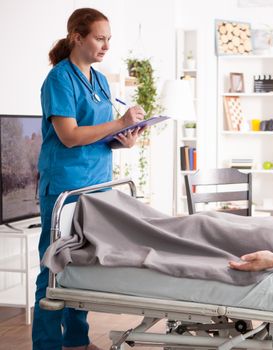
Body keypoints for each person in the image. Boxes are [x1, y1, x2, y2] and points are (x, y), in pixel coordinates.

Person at [34, 8, 146, 350]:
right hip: (65, 185)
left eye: (109, 39)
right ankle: (48, 343)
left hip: (96, 182)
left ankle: (77, 341)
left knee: (81, 262)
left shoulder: (99, 79)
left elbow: (96, 133)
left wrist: (122, 137)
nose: (106, 46)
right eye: (100, 38)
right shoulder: (59, 79)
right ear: (76, 37)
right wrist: (118, 122)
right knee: (54, 267)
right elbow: (68, 136)